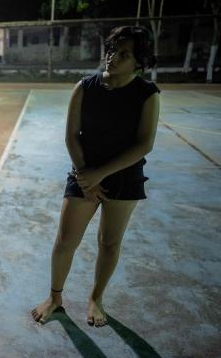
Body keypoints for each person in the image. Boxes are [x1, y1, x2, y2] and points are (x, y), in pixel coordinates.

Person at [31, 26, 160, 327]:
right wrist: (84, 176)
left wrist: (100, 174)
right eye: (112, 49)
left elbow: (144, 144)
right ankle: (55, 297)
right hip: (84, 173)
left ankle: (96, 298)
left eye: (124, 53)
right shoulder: (85, 87)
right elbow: (71, 136)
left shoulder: (146, 94)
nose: (113, 57)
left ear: (139, 61)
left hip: (124, 178)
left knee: (109, 243)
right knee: (65, 240)